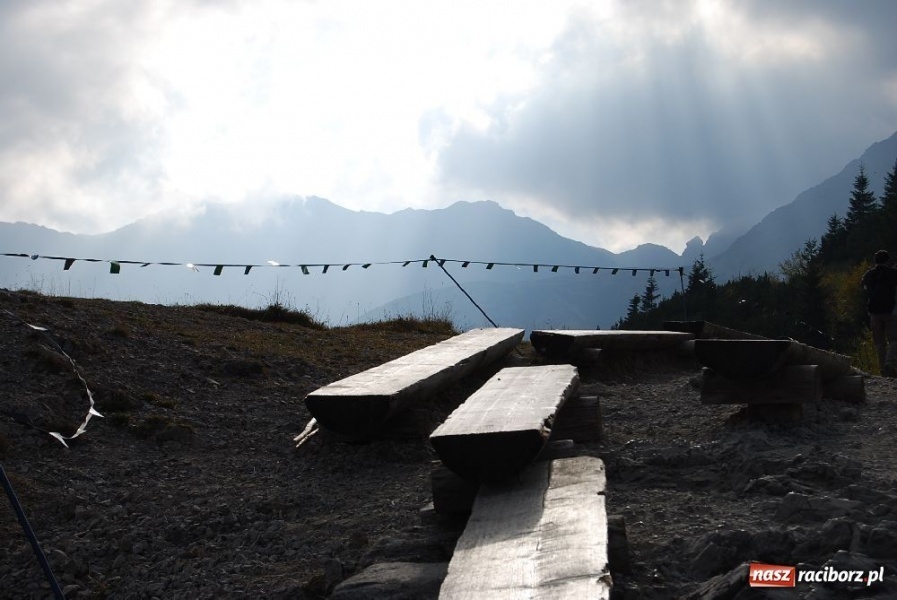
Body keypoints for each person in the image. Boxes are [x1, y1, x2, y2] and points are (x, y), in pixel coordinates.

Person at [861, 250, 897, 377]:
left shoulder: (869, 274)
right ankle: (889, 363)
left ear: (875, 261)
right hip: (890, 310)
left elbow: (864, 288)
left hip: (874, 311)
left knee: (879, 343)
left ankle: (883, 370)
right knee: (894, 340)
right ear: (887, 261)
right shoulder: (893, 273)